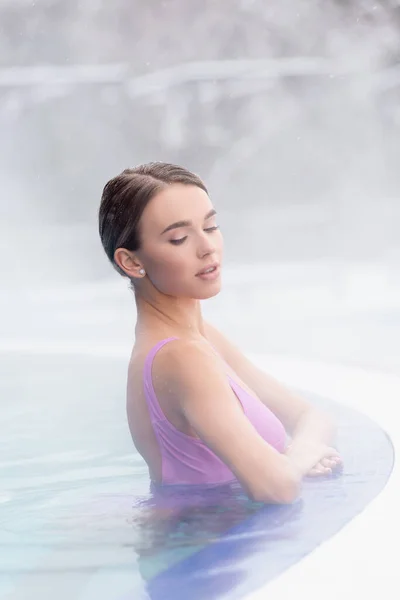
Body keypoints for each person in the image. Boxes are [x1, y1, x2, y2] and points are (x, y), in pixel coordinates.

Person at [98, 162, 342, 504]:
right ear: (131, 262)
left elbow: (311, 416)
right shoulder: (181, 357)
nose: (207, 247)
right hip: (212, 545)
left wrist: (298, 453)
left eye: (211, 226)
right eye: (179, 238)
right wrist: (299, 459)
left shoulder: (200, 338)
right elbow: (275, 487)